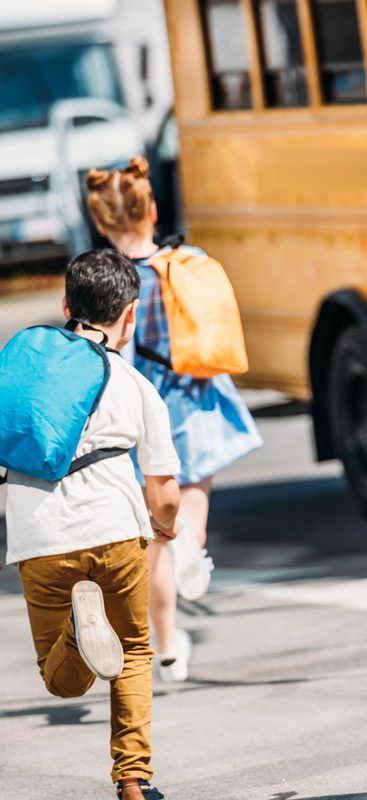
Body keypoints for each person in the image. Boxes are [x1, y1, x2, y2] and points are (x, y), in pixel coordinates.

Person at [3, 249, 182, 800]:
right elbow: (165, 491)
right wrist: (164, 528)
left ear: (65, 305)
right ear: (130, 314)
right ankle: (135, 782)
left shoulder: (23, 377)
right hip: (116, 530)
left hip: (41, 537)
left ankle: (80, 640)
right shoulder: (134, 384)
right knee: (132, 650)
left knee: (60, 680)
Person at [85, 157, 263, 681]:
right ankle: (193, 542)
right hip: (193, 398)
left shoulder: (105, 279)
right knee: (192, 502)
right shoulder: (190, 261)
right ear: (152, 208)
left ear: (101, 222)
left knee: (152, 539)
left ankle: (166, 651)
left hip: (135, 409)